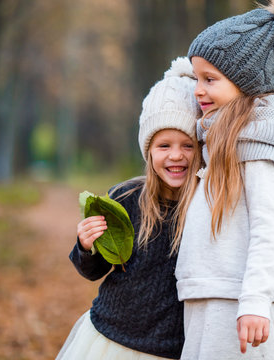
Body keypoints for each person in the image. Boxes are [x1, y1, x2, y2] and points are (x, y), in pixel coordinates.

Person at [174, 0, 274, 359]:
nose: (198, 90)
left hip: (240, 307)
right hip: (210, 300)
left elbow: (269, 228)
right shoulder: (217, 139)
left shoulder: (260, 143)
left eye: (210, 80)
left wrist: (255, 302)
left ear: (245, 79)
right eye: (196, 78)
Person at [56, 57, 202, 360]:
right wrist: (87, 246)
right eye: (164, 146)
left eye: (188, 145)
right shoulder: (125, 197)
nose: (176, 155)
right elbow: (93, 271)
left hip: (173, 347)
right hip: (112, 338)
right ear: (148, 150)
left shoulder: (206, 204)